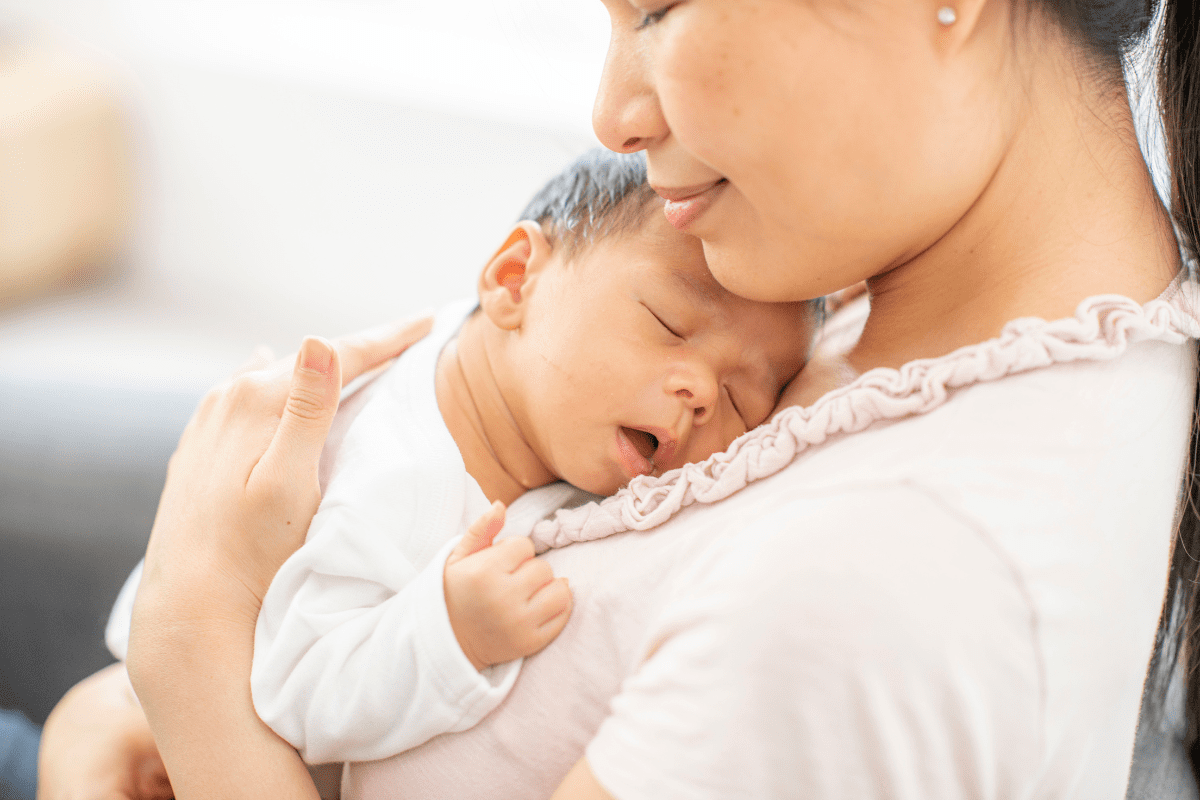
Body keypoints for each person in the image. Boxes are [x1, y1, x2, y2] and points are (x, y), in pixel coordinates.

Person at [35, 0, 1200, 796]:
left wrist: (187, 638)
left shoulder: (876, 587)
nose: (610, 116)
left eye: (657, 11)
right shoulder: (898, 278)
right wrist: (121, 703)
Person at [102, 149, 814, 765]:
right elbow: (291, 689)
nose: (698, 394)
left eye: (744, 400)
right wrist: (445, 632)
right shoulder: (392, 472)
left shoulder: (529, 400)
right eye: (669, 323)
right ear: (513, 280)